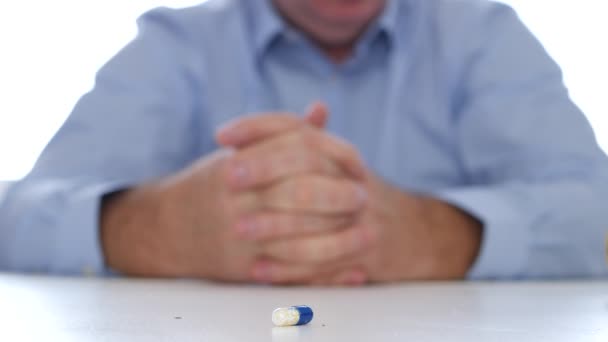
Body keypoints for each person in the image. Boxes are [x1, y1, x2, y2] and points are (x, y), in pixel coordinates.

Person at [1, 0, 607, 284]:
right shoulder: (175, 44)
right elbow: (16, 215)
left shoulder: (482, 35)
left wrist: (442, 233)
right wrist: (151, 227)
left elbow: (598, 210)